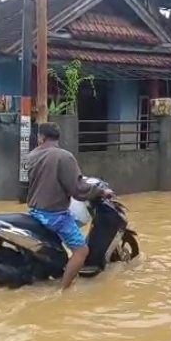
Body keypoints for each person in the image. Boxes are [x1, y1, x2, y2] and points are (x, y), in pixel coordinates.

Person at [26, 122, 113, 291]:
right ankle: (64, 291)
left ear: (42, 137)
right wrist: (101, 191)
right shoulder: (64, 157)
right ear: (57, 137)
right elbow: (77, 189)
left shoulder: (33, 156)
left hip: (36, 210)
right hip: (54, 215)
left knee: (73, 220)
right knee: (81, 251)